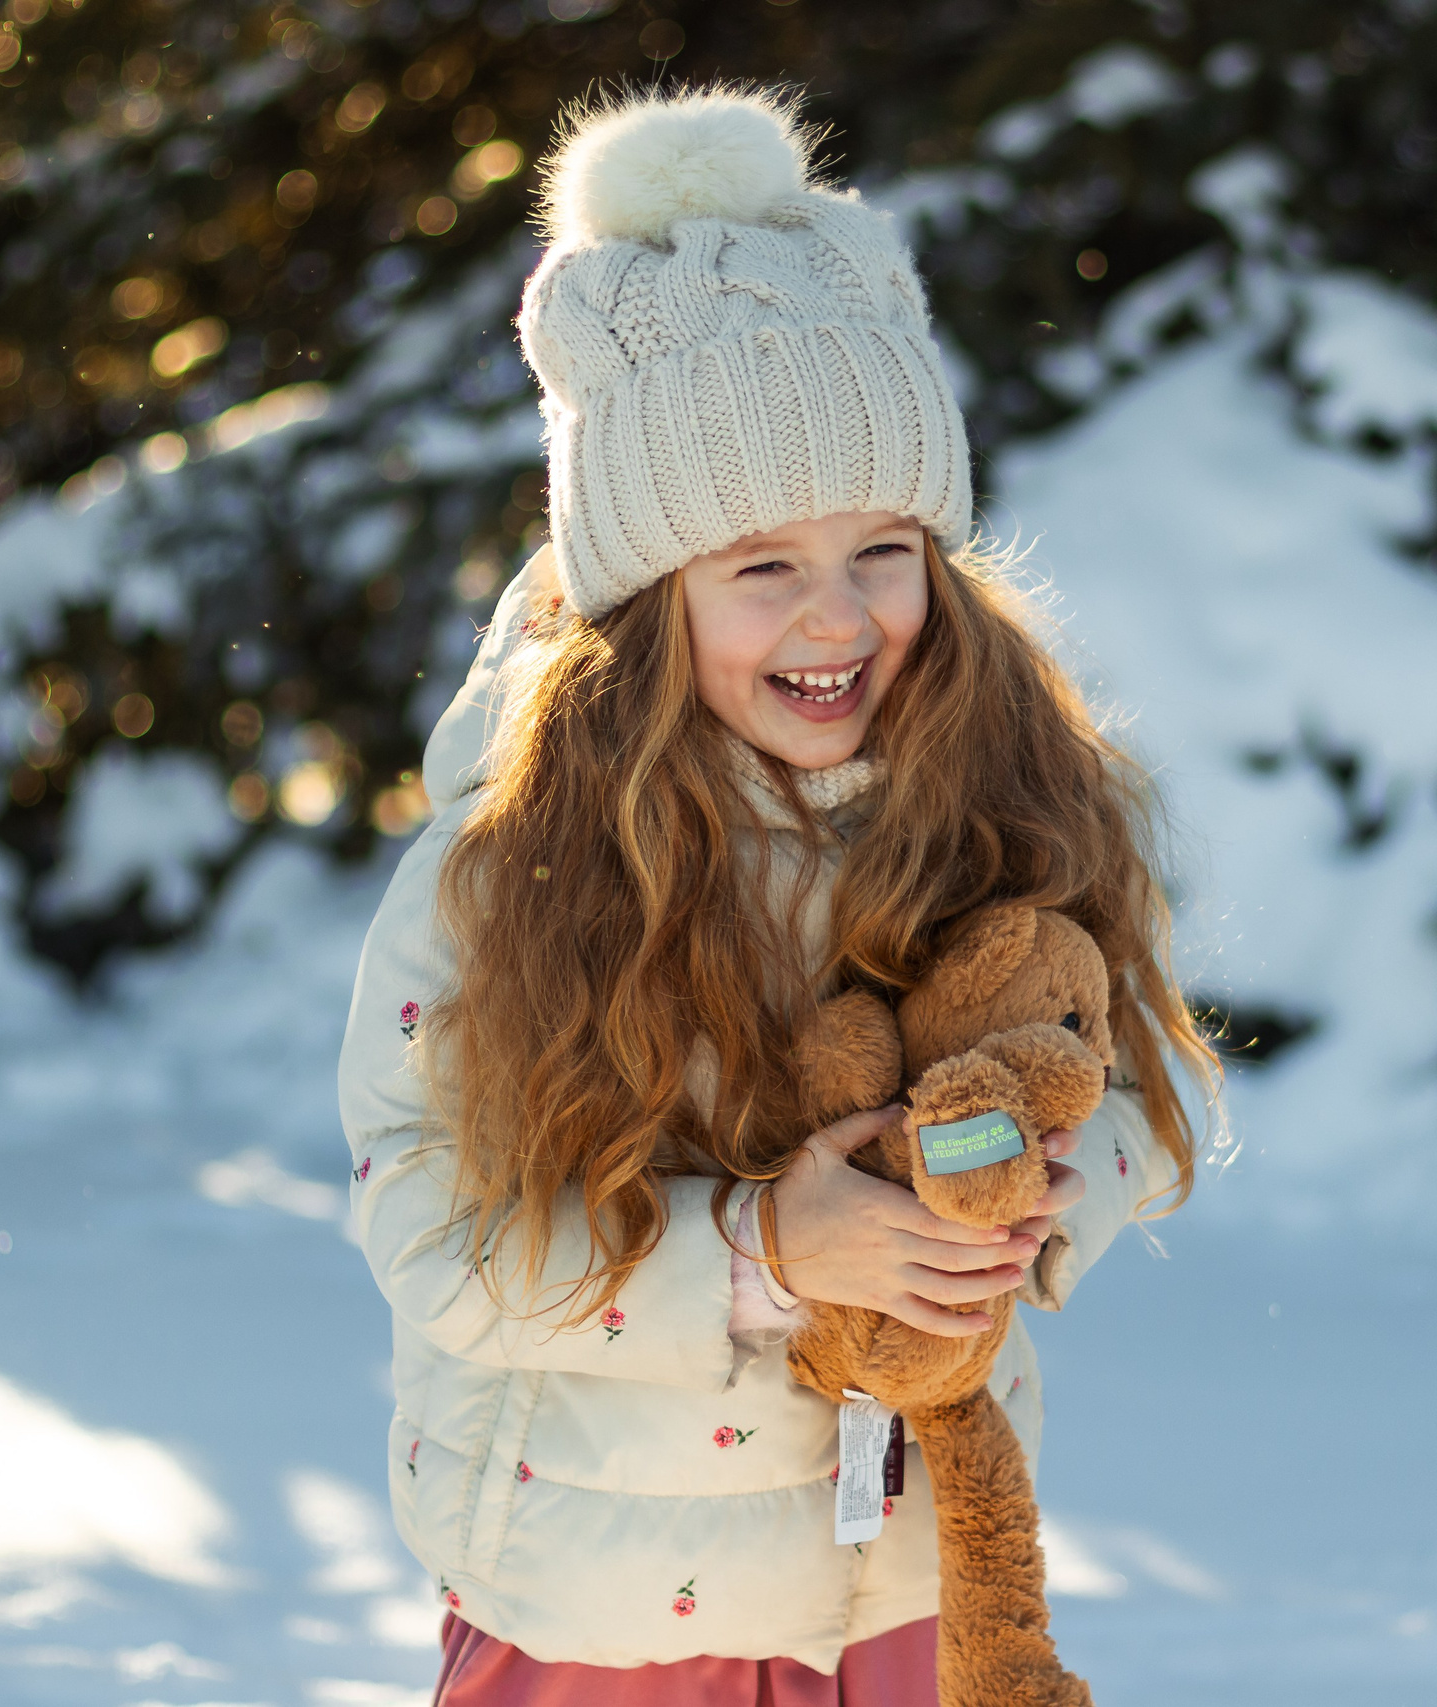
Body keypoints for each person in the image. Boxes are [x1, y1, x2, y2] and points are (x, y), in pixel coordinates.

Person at [337, 87, 1214, 1706]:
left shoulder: (1007, 792)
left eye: (885, 547)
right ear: (646, 595)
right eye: (761, 567)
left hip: (907, 1583)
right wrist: (760, 1251)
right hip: (602, 1608)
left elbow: (1137, 1092)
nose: (841, 616)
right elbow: (429, 1228)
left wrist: (1020, 1214)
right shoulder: (511, 865)